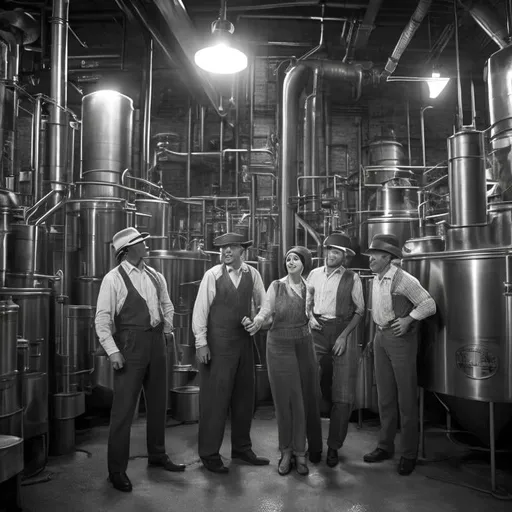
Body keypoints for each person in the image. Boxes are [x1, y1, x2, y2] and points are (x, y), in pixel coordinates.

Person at [95, 227, 186, 493]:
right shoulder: (112, 279)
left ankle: (157, 455)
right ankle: (116, 471)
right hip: (130, 347)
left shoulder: (155, 275)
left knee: (159, 404)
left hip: (157, 343)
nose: (146, 245)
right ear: (127, 250)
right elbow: (102, 319)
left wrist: (167, 328)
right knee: (123, 411)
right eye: (141, 242)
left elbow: (167, 305)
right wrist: (113, 351)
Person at [192, 232, 269, 474]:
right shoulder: (212, 275)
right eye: (223, 248)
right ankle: (209, 454)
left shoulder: (252, 274)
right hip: (218, 346)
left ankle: (242, 449)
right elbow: (200, 311)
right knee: (215, 402)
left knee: (244, 399)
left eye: (231, 247)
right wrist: (201, 343)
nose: (226, 252)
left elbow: (265, 304)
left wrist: (257, 321)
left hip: (244, 345)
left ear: (241, 251)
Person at [362, 233, 436, 476]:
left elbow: (428, 304)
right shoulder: (376, 278)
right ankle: (385, 446)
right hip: (381, 337)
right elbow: (378, 309)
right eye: (371, 255)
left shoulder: (405, 280)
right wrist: (375, 337)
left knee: (405, 399)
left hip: (401, 339)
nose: (370, 258)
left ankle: (408, 454)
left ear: (388, 257)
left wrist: (408, 320)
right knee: (384, 397)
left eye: (374, 255)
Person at [246, 246, 322, 476]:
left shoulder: (310, 288)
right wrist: (257, 322)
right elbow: (266, 311)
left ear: (304, 263)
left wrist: (315, 323)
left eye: (295, 259)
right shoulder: (276, 286)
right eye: (288, 259)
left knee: (302, 400)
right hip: (279, 346)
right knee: (284, 401)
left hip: (303, 345)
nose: (290, 262)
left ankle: (300, 452)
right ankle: (286, 451)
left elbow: (309, 315)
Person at [306, 232, 365, 468]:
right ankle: (313, 444)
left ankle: (333, 447)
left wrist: (343, 336)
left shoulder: (353, 278)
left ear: (345, 256)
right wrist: (309, 317)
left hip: (342, 332)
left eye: (337, 252)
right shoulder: (313, 274)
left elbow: (360, 310)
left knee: (343, 394)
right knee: (310, 388)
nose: (331, 255)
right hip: (317, 331)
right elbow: (305, 302)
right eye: (329, 250)